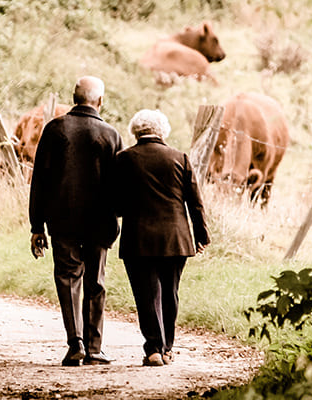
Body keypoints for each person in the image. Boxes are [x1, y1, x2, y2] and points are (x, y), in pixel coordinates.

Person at [28, 76, 123, 366]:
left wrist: (37, 226)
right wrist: (116, 216)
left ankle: (76, 344)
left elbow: (39, 181)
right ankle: (95, 348)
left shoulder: (55, 129)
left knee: (68, 279)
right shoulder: (110, 134)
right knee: (96, 281)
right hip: (100, 221)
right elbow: (119, 184)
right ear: (100, 101)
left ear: (73, 97)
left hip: (62, 220)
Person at [114, 109, 210, 367]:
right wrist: (201, 235)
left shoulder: (124, 159)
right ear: (162, 131)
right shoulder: (180, 158)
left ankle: (153, 349)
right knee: (170, 293)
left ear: (135, 130)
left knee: (146, 294)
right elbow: (195, 203)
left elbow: (115, 202)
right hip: (176, 238)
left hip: (138, 238)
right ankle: (167, 348)